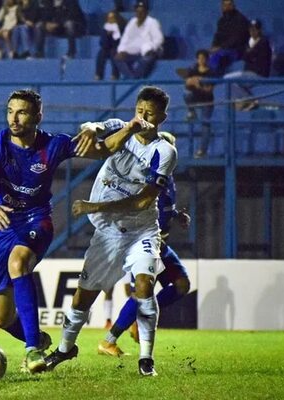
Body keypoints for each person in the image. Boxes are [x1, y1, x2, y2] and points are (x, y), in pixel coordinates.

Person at [0, 89, 108, 373]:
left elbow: (103, 150)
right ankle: (40, 339)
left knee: (18, 263)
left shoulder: (53, 145)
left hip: (35, 219)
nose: (14, 118)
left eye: (21, 112)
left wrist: (127, 128)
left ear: (37, 116)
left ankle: (32, 351)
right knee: (0, 317)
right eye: (10, 111)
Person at [44, 86, 177, 377]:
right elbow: (100, 138)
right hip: (108, 235)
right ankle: (65, 350)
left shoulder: (164, 152)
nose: (143, 117)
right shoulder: (122, 127)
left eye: (150, 114)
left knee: (143, 285)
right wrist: (92, 127)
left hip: (141, 230)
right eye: (140, 111)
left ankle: (146, 359)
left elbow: (144, 200)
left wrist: (96, 207)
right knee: (83, 297)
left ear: (163, 118)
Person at [97, 131, 191, 358]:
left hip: (162, 245)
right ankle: (108, 341)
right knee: (141, 293)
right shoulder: (143, 178)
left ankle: (138, 315)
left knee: (181, 285)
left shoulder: (167, 180)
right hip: (144, 244)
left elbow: (162, 209)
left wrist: (177, 216)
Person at [223, 19, 272, 111]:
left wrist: (249, 53)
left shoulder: (264, 42)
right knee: (230, 82)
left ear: (259, 30)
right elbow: (245, 56)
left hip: (259, 74)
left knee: (227, 78)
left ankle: (250, 101)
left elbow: (253, 57)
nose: (252, 31)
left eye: (255, 29)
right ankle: (249, 100)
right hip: (249, 74)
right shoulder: (249, 42)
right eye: (251, 29)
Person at [178, 49, 216, 158]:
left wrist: (199, 84)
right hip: (195, 97)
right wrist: (192, 81)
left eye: (203, 58)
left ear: (207, 60)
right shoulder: (193, 69)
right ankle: (191, 112)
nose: (201, 60)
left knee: (205, 125)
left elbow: (209, 90)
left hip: (207, 100)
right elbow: (187, 84)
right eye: (199, 58)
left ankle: (202, 151)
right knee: (186, 95)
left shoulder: (211, 72)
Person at [114, 1, 163, 79]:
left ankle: (136, 78)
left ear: (146, 12)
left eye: (142, 11)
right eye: (137, 11)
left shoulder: (152, 22)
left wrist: (150, 48)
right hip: (134, 51)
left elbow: (158, 39)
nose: (139, 14)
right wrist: (121, 51)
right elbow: (125, 39)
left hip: (148, 51)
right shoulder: (132, 22)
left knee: (146, 59)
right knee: (118, 58)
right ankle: (131, 77)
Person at [208, 0, 249, 75]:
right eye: (225, 5)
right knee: (204, 55)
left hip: (237, 50)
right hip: (223, 49)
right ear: (222, 7)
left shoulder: (240, 19)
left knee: (221, 57)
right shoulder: (222, 20)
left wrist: (220, 47)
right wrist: (213, 46)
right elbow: (218, 35)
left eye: (229, 5)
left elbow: (237, 39)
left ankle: (215, 78)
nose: (227, 7)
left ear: (233, 6)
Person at [95, 10, 126, 81]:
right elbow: (102, 43)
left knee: (114, 52)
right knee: (101, 53)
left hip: (119, 48)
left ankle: (115, 75)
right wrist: (108, 35)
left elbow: (121, 42)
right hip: (108, 48)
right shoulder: (106, 28)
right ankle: (98, 75)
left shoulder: (122, 28)